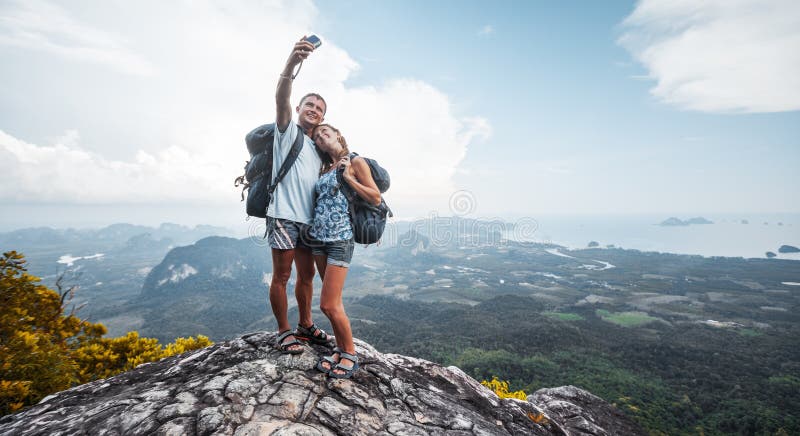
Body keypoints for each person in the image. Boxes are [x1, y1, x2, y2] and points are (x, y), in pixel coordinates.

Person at [269, 38, 331, 354]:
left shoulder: (318, 149)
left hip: (309, 221)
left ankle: (305, 324)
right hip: (283, 214)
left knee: (306, 277)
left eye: (319, 109)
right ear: (298, 109)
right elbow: (281, 95)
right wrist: (292, 62)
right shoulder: (287, 132)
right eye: (310, 105)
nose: (314, 110)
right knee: (281, 275)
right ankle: (283, 331)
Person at [308, 123, 381, 378]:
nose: (320, 136)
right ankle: (339, 350)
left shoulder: (354, 161)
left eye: (325, 131)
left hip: (340, 238)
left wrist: (349, 178)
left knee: (328, 305)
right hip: (317, 240)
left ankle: (350, 353)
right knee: (334, 302)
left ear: (338, 134)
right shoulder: (323, 168)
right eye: (316, 136)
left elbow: (375, 197)